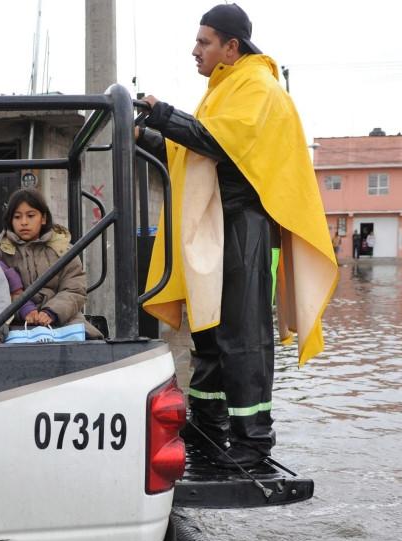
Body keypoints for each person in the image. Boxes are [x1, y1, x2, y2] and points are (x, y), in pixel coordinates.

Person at [135, 3, 337, 467]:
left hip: (245, 225)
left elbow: (220, 142)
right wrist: (145, 135)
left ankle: (252, 443)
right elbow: (192, 152)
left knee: (243, 337)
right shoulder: (224, 90)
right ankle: (209, 429)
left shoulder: (257, 87)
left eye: (204, 42)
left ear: (231, 46)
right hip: (215, 225)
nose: (194, 50)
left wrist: (163, 113)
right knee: (208, 331)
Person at [0, 189, 102, 338]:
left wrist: (52, 312)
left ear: (43, 218)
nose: (24, 222)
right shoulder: (1, 253)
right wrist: (23, 310)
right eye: (17, 217)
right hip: (15, 321)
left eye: (30, 216)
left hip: (63, 319)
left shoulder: (63, 249)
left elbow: (75, 290)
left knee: (87, 339)